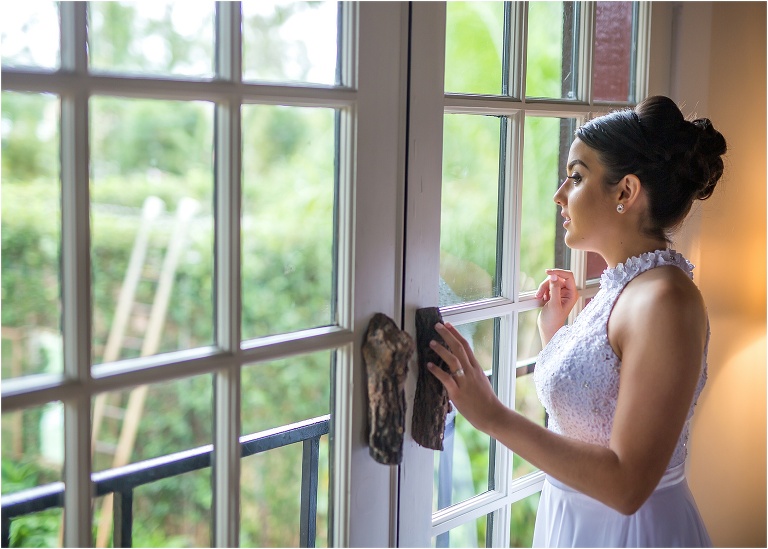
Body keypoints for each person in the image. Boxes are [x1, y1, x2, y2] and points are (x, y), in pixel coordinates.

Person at [427, 95, 727, 548]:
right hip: (572, 520)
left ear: (625, 192)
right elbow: (599, 406)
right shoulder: (621, 287)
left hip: (630, 533)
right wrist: (558, 332)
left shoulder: (666, 301)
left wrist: (492, 416)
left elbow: (628, 486)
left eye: (576, 176)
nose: (559, 195)